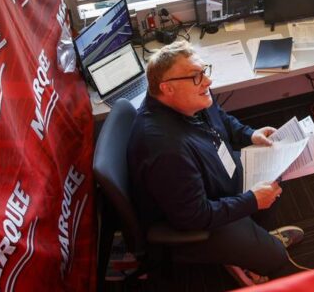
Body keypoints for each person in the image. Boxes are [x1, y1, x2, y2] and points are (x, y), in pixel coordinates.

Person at [127, 40, 304, 285]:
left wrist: (249, 134)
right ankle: (249, 256)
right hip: (197, 220)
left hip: (216, 180)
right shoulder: (165, 148)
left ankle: (250, 245)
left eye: (204, 71)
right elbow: (193, 216)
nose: (208, 81)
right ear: (167, 88)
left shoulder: (190, 99)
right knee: (276, 257)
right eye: (196, 76)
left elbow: (220, 118)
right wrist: (252, 200)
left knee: (278, 172)